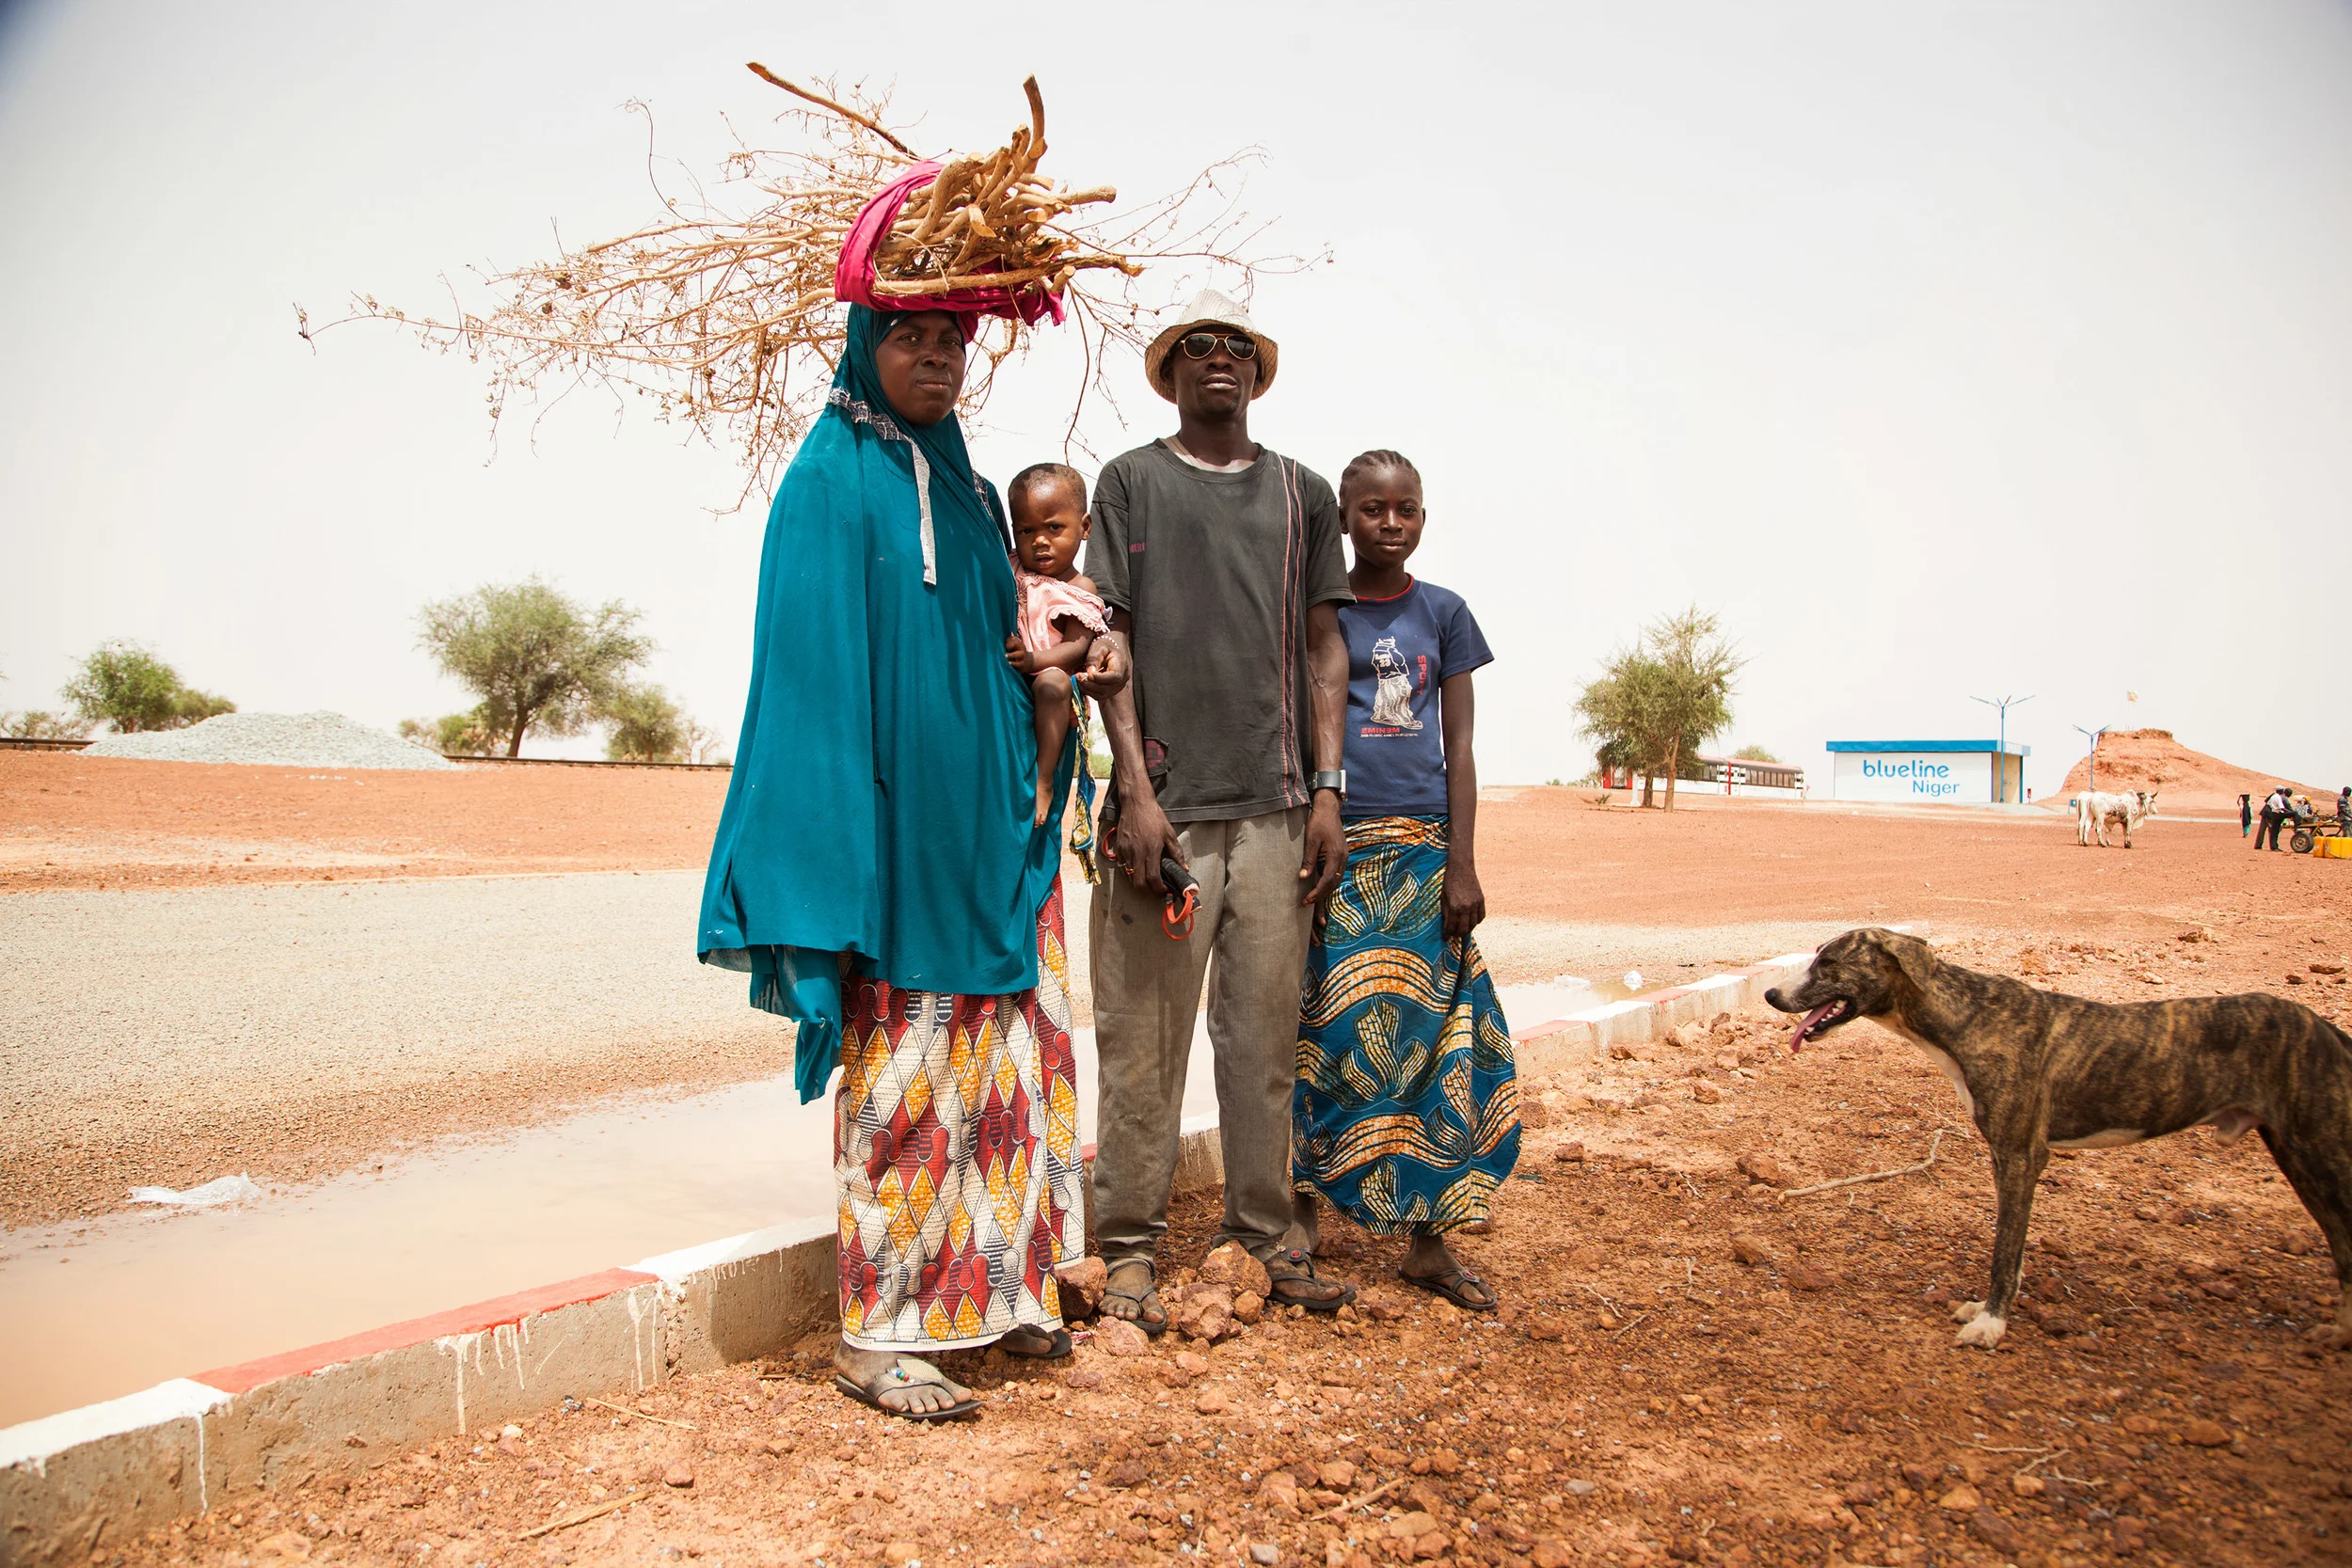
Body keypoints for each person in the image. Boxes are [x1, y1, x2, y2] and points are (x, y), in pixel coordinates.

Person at [697, 306, 1123, 1418]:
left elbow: (1007, 644)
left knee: (1012, 1076)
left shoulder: (977, 495)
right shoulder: (828, 484)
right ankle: (878, 1334)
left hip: (996, 836)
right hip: (896, 849)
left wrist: (1070, 672)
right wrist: (831, 853)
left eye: (953, 343)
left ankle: (1005, 1293)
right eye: (910, 341)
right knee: (903, 1082)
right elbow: (805, 684)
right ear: (862, 346)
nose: (936, 360)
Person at [1086, 290, 1358, 1330]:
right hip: (1167, 816)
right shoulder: (1130, 484)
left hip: (1281, 807)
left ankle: (1259, 1240)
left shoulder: (1302, 495)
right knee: (1143, 1040)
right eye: (1196, 347)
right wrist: (1137, 796)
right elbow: (1108, 648)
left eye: (1235, 347)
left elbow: (1324, 647)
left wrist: (1328, 789)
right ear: (1170, 371)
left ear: (1257, 371)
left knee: (1258, 1040)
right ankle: (1126, 1255)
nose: (1218, 359)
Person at [1288, 450, 1520, 1309]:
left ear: (1423, 516)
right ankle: (1302, 1214)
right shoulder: (1321, 612)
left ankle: (1431, 1238)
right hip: (1338, 846)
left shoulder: (1446, 613)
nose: (1391, 523)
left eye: (1407, 509)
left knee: (1438, 1043)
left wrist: (1462, 862)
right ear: (1343, 516)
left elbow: (1458, 745)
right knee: (1324, 1027)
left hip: (1425, 852)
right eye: (1374, 509)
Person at [1002, 464, 1110, 826]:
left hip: (1051, 687)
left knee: (1053, 682)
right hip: (1013, 679)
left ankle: (1044, 779)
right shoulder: (1013, 568)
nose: (1039, 541)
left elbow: (1076, 648)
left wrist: (1034, 660)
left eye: (1053, 528)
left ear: (1084, 527)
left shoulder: (1079, 588)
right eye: (1026, 530)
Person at [2259, 784, 2294, 852]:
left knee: (2262, 830)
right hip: (2269, 813)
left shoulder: (2274, 795)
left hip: (2266, 811)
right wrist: (2292, 813)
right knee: (2272, 830)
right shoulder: (2280, 797)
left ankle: (2258, 845)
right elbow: (2284, 807)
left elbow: (2266, 801)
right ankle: (2273, 846)